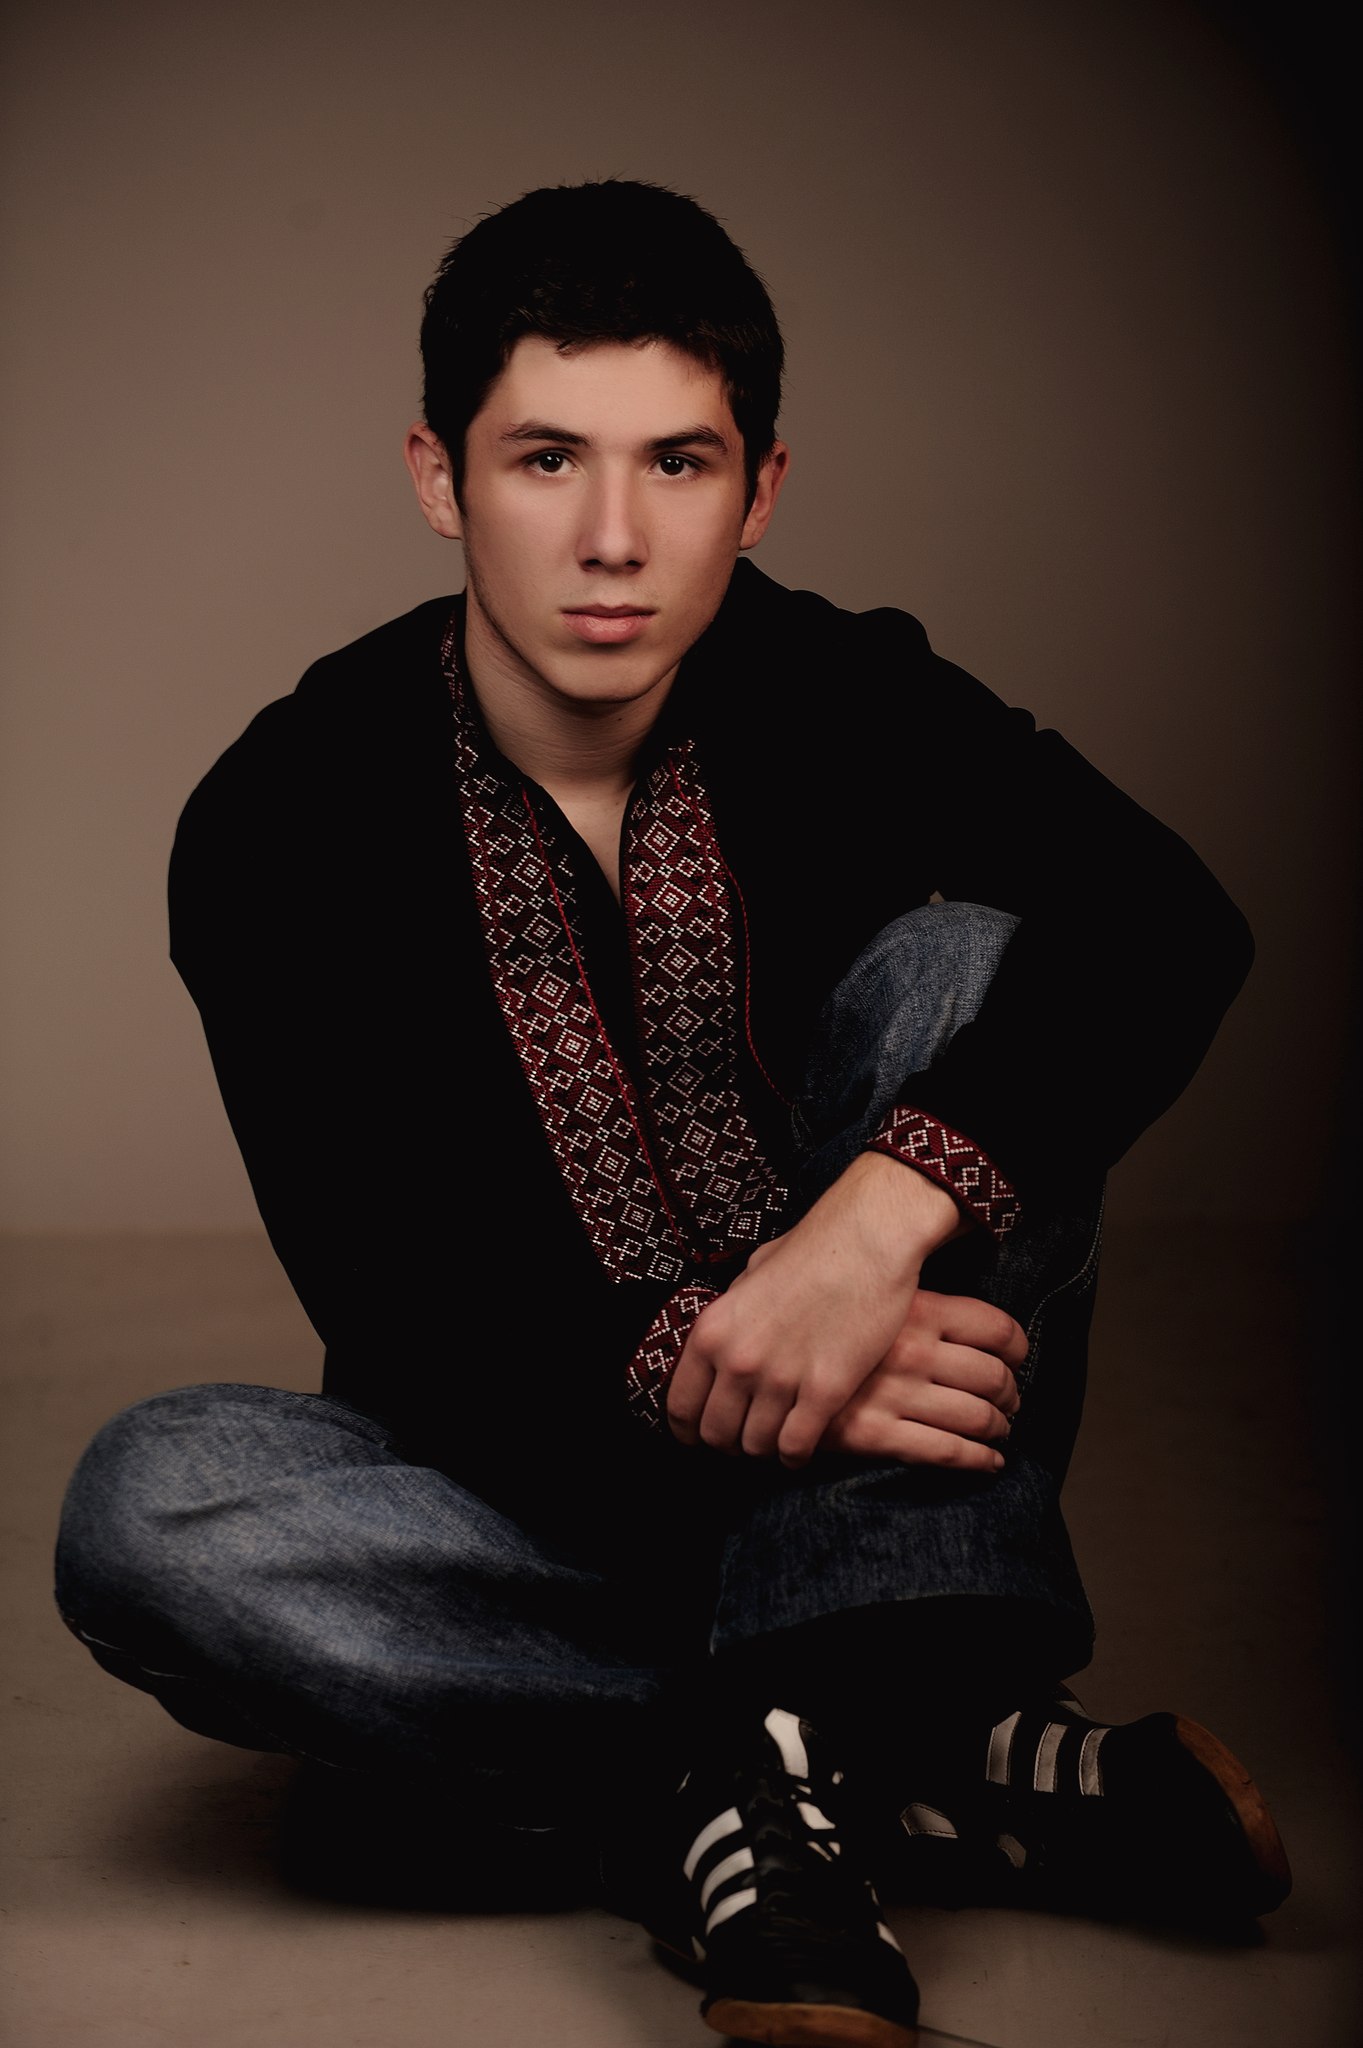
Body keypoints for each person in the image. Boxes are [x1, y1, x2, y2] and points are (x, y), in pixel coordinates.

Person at [54, 180, 1290, 2048]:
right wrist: (726, 1361)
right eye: (546, 458)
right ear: (439, 475)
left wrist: (861, 1241)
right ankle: (895, 1737)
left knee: (970, 965)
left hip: (876, 1442)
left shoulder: (841, 685)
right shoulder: (279, 820)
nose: (612, 539)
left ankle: (730, 1787)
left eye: (679, 464)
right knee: (154, 1510)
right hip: (531, 1495)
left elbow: (1170, 919)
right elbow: (405, 1297)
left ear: (760, 489)